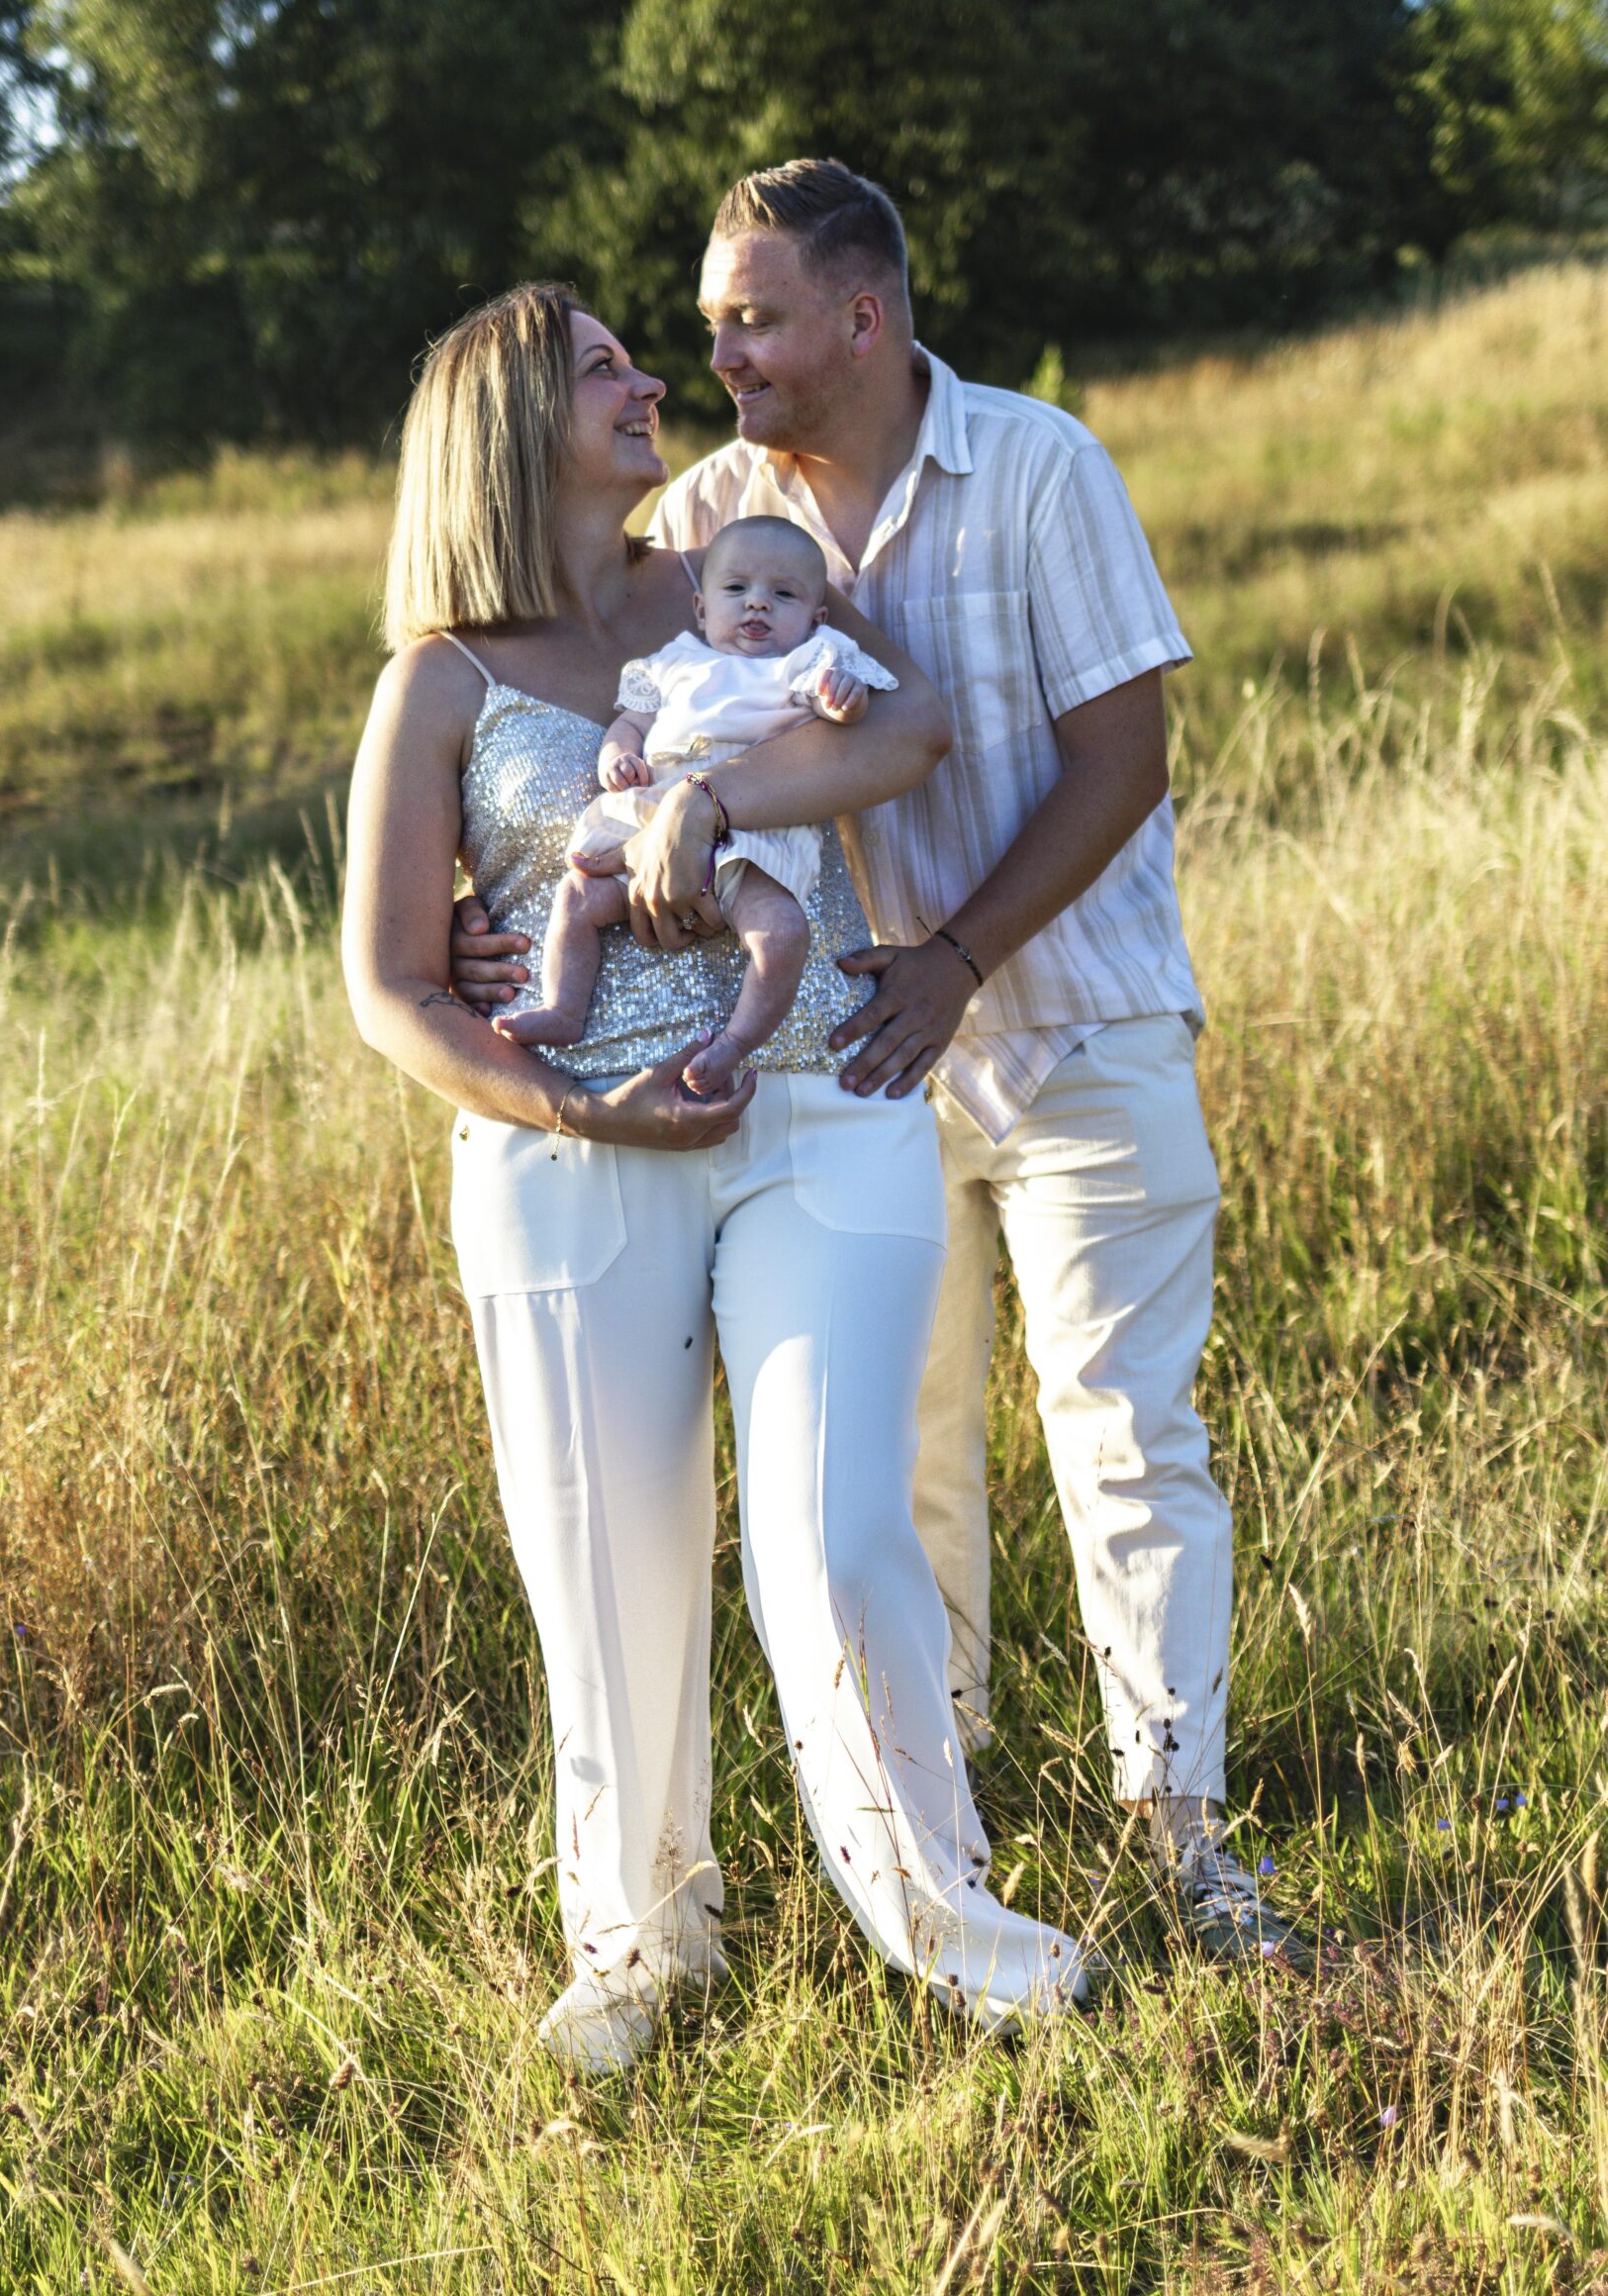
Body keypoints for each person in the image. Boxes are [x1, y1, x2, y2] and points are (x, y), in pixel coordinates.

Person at [451, 168, 1314, 1965]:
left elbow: (1124, 757)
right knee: (909, 1465)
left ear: (860, 317)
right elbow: (581, 716)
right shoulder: (711, 513)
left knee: (1123, 1431)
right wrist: (501, 914)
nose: (717, 355)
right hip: (844, 1067)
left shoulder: (1038, 467)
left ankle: (1185, 1836)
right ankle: (954, 1831)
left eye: (752, 320)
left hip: (1071, 1019)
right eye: (708, 321)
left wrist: (957, 959)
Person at [342, 280, 1100, 2080]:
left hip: (817, 1102)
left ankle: (946, 1920)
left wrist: (708, 800)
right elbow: (388, 989)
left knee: (836, 1537)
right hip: (567, 1150)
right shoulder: (439, 677)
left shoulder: (734, 582)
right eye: (602, 366)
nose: (648, 381)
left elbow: (905, 733)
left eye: (634, 356)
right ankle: (639, 1942)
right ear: (507, 427)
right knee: (602, 1573)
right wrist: (576, 1111)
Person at [497, 514, 896, 1096]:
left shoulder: (810, 660)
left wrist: (845, 700)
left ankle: (735, 1041)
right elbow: (630, 723)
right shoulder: (674, 661)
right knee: (578, 894)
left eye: (783, 595)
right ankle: (563, 1007)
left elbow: (845, 714)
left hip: (754, 829)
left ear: (817, 619)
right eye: (737, 588)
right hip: (654, 820)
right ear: (702, 609)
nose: (757, 604)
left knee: (782, 932)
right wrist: (618, 755)